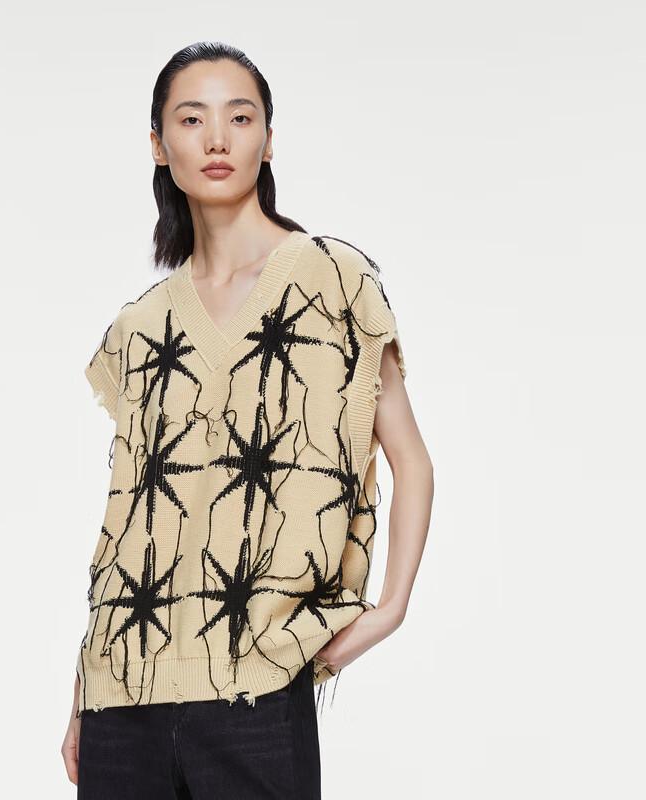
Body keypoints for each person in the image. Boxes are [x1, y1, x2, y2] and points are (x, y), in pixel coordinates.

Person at [61, 40, 434, 799]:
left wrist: (390, 608)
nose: (217, 139)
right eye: (191, 119)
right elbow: (132, 519)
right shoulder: (141, 327)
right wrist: (80, 694)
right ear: (159, 146)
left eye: (239, 117)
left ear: (268, 139)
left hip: (257, 692)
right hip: (120, 697)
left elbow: (411, 460)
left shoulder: (332, 279)